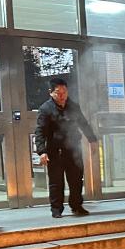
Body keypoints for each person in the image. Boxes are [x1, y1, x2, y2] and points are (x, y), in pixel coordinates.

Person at [35, 78, 97, 218]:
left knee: (76, 179)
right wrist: (42, 151)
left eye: (64, 92)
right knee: (56, 182)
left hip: (73, 149)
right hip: (55, 150)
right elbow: (40, 131)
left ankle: (77, 206)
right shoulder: (45, 109)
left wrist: (92, 139)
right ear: (51, 92)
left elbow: (83, 123)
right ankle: (56, 209)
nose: (62, 95)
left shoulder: (73, 106)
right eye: (58, 92)